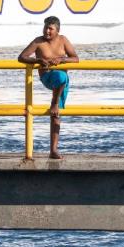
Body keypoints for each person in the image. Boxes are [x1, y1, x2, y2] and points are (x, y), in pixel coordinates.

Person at [18, 16, 79, 159]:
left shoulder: (63, 40)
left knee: (56, 114)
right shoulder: (38, 41)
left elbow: (75, 58)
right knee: (60, 79)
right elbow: (21, 57)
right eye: (45, 27)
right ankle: (54, 103)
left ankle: (53, 150)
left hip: (63, 83)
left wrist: (61, 60)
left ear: (58, 30)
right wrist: (38, 60)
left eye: (50, 28)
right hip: (48, 77)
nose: (47, 31)